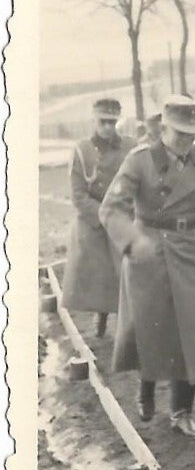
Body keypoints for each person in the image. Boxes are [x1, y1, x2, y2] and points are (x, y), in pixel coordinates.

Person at [99, 95, 195, 439]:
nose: (185, 140)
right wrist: (131, 241)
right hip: (147, 252)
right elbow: (111, 208)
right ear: (164, 128)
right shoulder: (140, 160)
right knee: (151, 328)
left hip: (188, 251)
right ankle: (147, 384)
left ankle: (183, 413)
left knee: (193, 330)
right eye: (179, 133)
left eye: (190, 133)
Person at [61, 98, 136, 338]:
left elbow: (140, 183)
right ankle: (101, 318)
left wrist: (124, 214)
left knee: (129, 273)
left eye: (112, 122)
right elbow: (78, 195)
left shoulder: (130, 147)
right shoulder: (82, 150)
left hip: (123, 217)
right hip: (92, 222)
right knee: (99, 277)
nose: (107, 127)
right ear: (94, 120)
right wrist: (103, 215)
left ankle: (130, 325)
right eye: (103, 122)